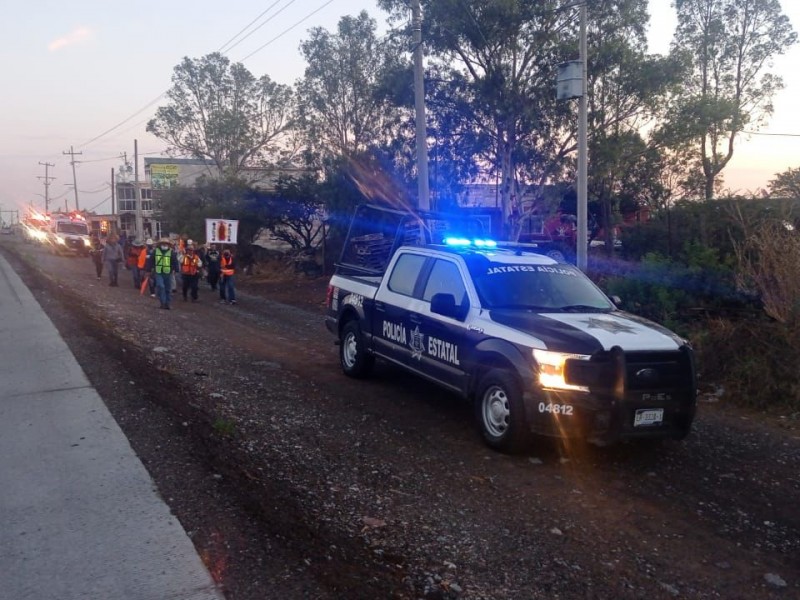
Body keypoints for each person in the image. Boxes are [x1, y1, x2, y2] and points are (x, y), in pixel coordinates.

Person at [151, 238, 177, 309]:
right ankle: (163, 302)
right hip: (158, 272)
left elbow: (175, 262)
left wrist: (176, 270)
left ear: (168, 245)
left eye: (166, 244)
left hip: (168, 273)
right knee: (161, 286)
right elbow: (151, 261)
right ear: (160, 245)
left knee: (168, 289)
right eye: (163, 244)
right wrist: (149, 269)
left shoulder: (172, 253)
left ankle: (167, 304)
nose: (164, 245)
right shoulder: (155, 252)